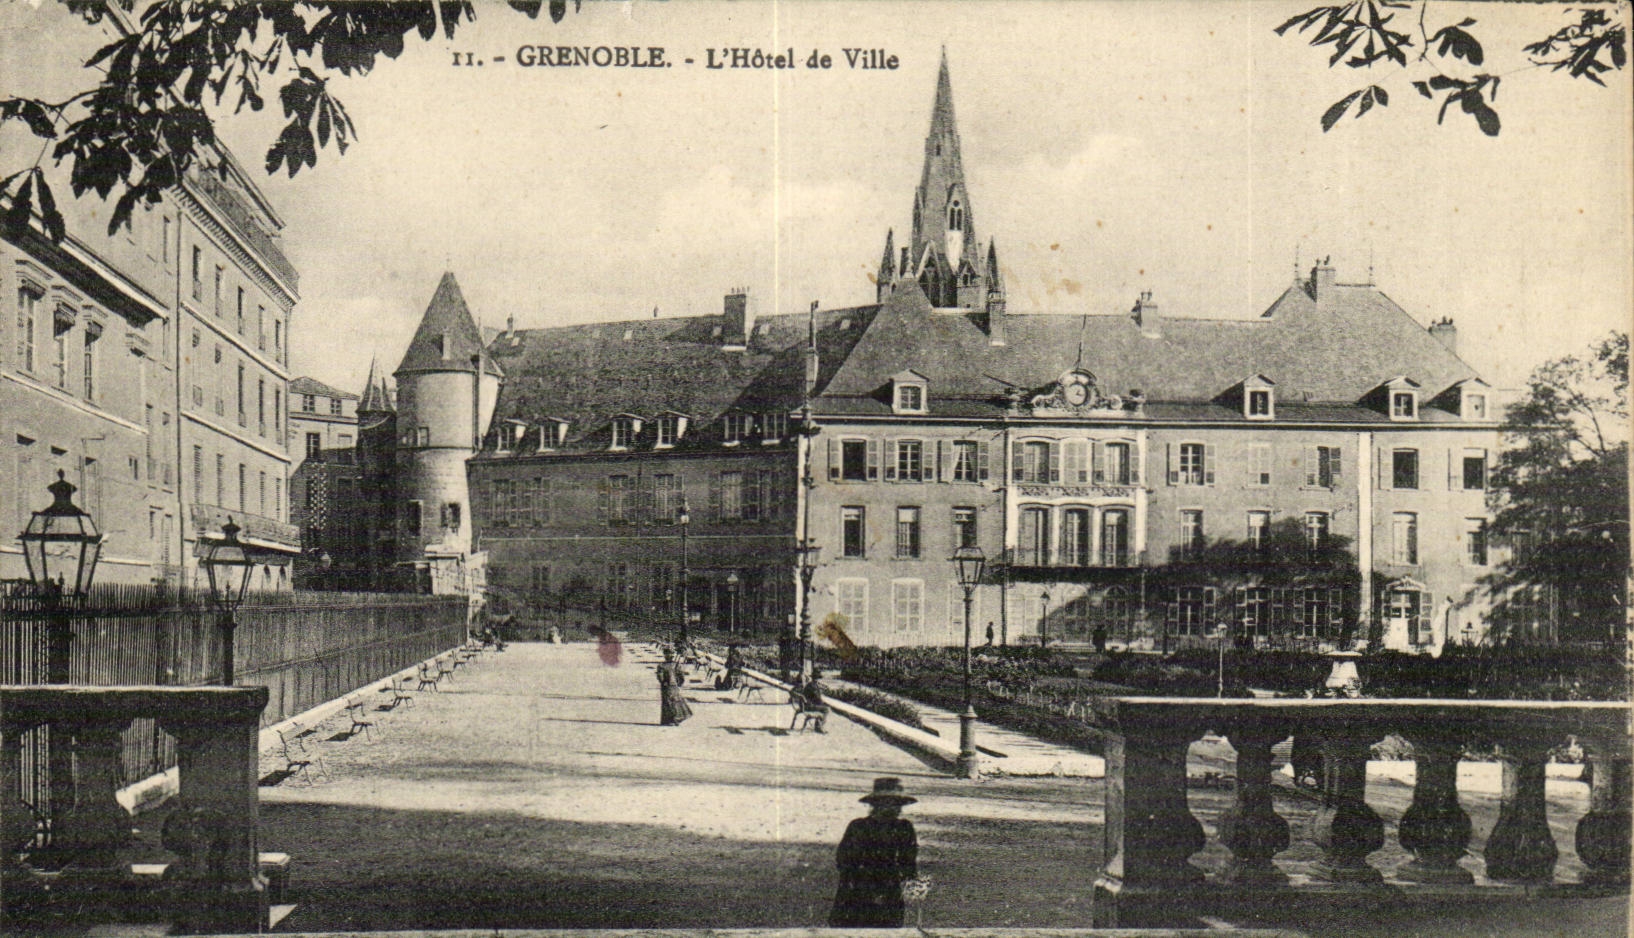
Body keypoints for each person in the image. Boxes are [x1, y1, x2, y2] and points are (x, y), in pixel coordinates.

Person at [829, 777, 918, 927]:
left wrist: (908, 883)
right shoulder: (858, 826)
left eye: (898, 804)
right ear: (875, 804)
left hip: (889, 889)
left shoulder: (904, 828)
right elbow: (843, 859)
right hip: (857, 889)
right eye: (888, 803)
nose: (895, 809)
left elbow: (908, 862)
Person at [657, 655, 692, 726]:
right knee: (676, 701)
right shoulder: (676, 665)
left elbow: (660, 677)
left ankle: (668, 720)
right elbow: (681, 676)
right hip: (674, 685)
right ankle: (676, 718)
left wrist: (663, 682)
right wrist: (679, 684)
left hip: (666, 686)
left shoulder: (661, 665)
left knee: (667, 702)